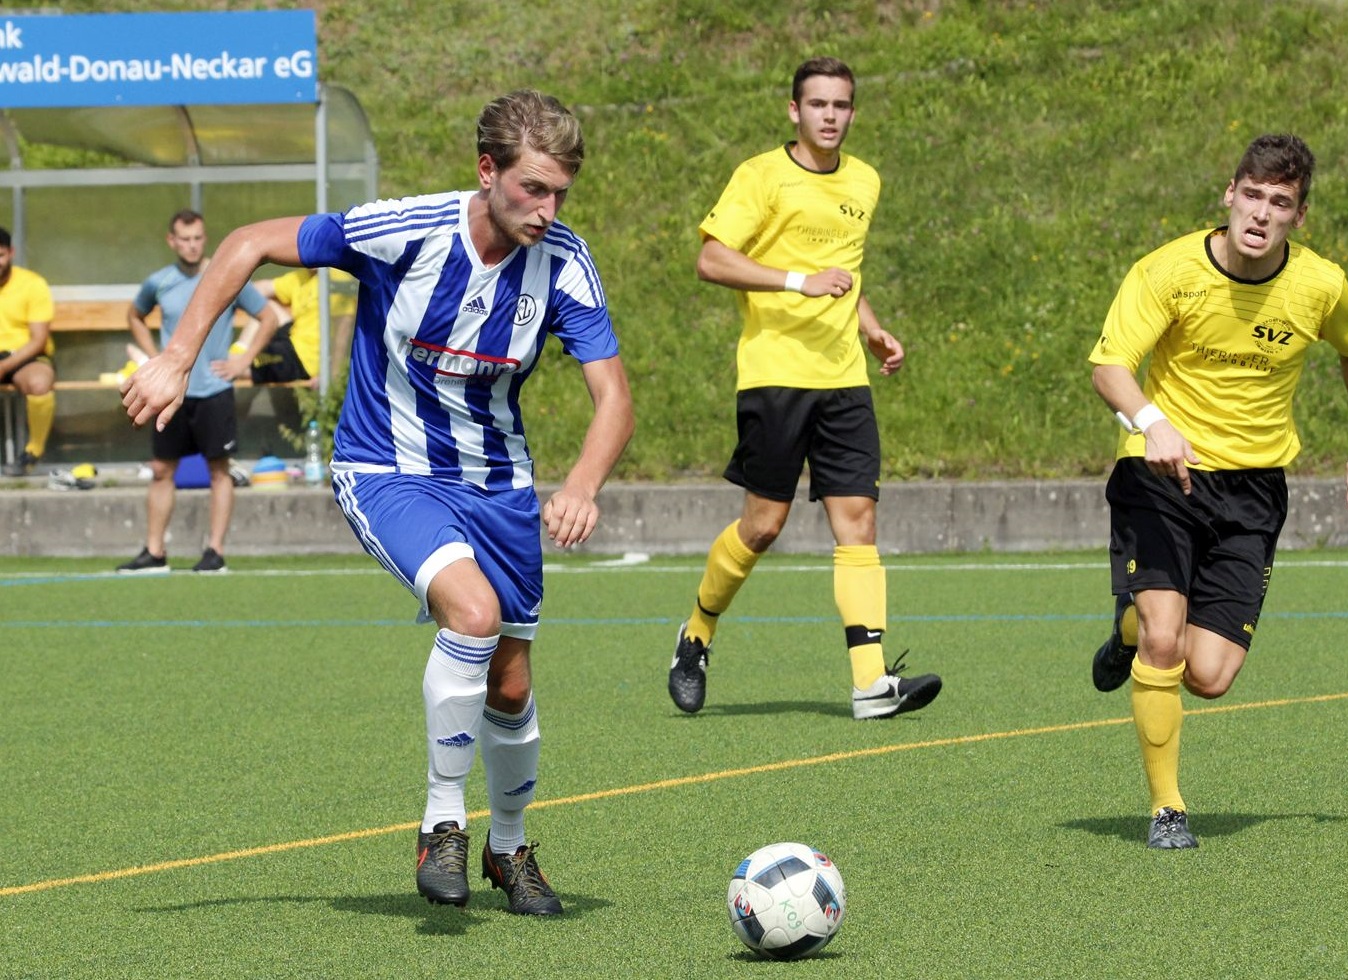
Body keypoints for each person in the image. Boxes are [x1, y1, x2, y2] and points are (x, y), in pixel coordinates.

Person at [120, 90, 634, 915]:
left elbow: (613, 397)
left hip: (499, 486)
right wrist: (179, 358)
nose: (547, 209)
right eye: (532, 188)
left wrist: (580, 485)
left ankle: (508, 848)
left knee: (509, 685)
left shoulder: (564, 262)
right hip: (385, 468)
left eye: (561, 193)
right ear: (487, 170)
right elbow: (250, 243)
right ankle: (441, 825)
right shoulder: (407, 229)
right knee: (470, 614)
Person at [1087, 133, 1348, 849]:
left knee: (1209, 675)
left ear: (1298, 216)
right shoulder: (1167, 271)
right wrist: (1153, 424)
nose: (1259, 213)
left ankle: (1128, 630)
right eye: (1250, 195)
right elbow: (1109, 367)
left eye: (1278, 203)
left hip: (1252, 492)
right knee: (1167, 638)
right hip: (1160, 474)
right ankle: (1166, 810)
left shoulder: (1319, 285)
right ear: (1228, 194)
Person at [667, 57, 941, 721]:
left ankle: (870, 682)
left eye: (840, 105)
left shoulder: (864, 181)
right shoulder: (760, 176)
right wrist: (797, 281)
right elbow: (711, 259)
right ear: (793, 110)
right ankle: (696, 634)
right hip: (774, 376)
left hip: (843, 379)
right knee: (763, 526)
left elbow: (844, 273)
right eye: (816, 103)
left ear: (851, 111)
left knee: (858, 521)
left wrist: (871, 329)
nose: (828, 115)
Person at [117, 209, 278, 575]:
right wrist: (154, 359)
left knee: (219, 471)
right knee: (161, 470)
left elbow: (267, 317)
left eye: (197, 238)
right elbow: (134, 316)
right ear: (171, 241)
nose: (191, 245)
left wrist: (242, 361)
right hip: (171, 393)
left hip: (214, 389)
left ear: (205, 239)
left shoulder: (227, 276)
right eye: (184, 239)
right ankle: (154, 553)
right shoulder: (159, 282)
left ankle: (214, 552)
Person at [236, 266, 357, 385]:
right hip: (291, 342)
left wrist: (330, 377)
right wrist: (227, 292)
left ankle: (233, 362)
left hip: (304, 362)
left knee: (242, 365)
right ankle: (237, 353)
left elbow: (342, 334)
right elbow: (264, 288)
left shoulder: (337, 282)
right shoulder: (302, 276)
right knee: (264, 305)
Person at [0, 227, 57, 478]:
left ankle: (33, 451)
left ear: (11, 253)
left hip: (24, 355)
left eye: (0, 255)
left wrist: (4, 366)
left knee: (39, 382)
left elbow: (38, 340)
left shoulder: (32, 284)